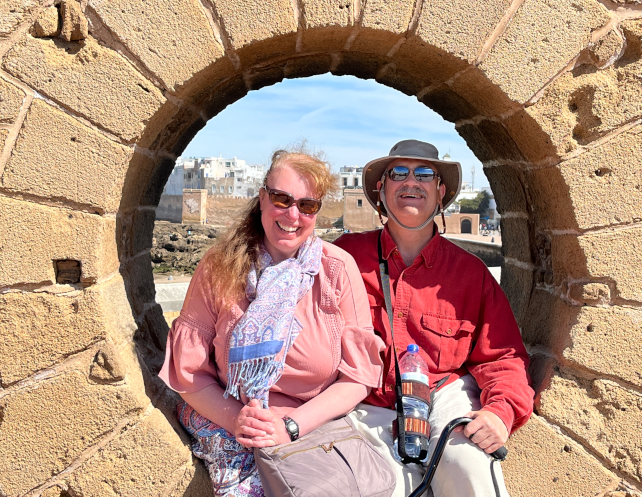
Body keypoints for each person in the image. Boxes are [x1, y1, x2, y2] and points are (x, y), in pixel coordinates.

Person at [160, 150, 385, 496]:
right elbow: (189, 373)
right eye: (281, 199)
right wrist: (237, 418)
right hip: (230, 420)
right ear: (262, 198)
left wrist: (290, 426)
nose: (292, 214)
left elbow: (358, 377)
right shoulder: (219, 266)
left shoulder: (337, 269)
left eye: (307, 205)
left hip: (310, 425)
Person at [335, 140, 534, 497]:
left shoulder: (471, 274)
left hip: (441, 398)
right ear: (382, 190)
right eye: (399, 173)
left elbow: (504, 357)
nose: (412, 182)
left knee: (472, 470)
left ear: (440, 192)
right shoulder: (345, 256)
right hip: (362, 402)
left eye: (425, 173)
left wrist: (499, 413)